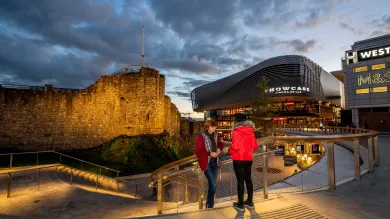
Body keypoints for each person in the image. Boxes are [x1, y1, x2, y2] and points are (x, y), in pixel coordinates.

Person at [228, 113, 258, 212]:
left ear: (236, 121)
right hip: (249, 158)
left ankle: (240, 204)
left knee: (240, 182)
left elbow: (235, 147)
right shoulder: (251, 131)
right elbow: (255, 145)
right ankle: (250, 202)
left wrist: (229, 151)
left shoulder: (236, 131)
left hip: (239, 159)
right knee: (248, 180)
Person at [195, 119, 224, 209]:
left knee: (212, 184)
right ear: (208, 126)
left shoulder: (215, 135)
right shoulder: (201, 137)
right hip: (207, 163)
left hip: (215, 162)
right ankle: (210, 206)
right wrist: (209, 153)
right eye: (213, 126)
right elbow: (198, 152)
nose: (214, 128)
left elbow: (220, 144)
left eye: (215, 126)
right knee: (213, 184)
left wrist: (219, 149)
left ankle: (208, 203)